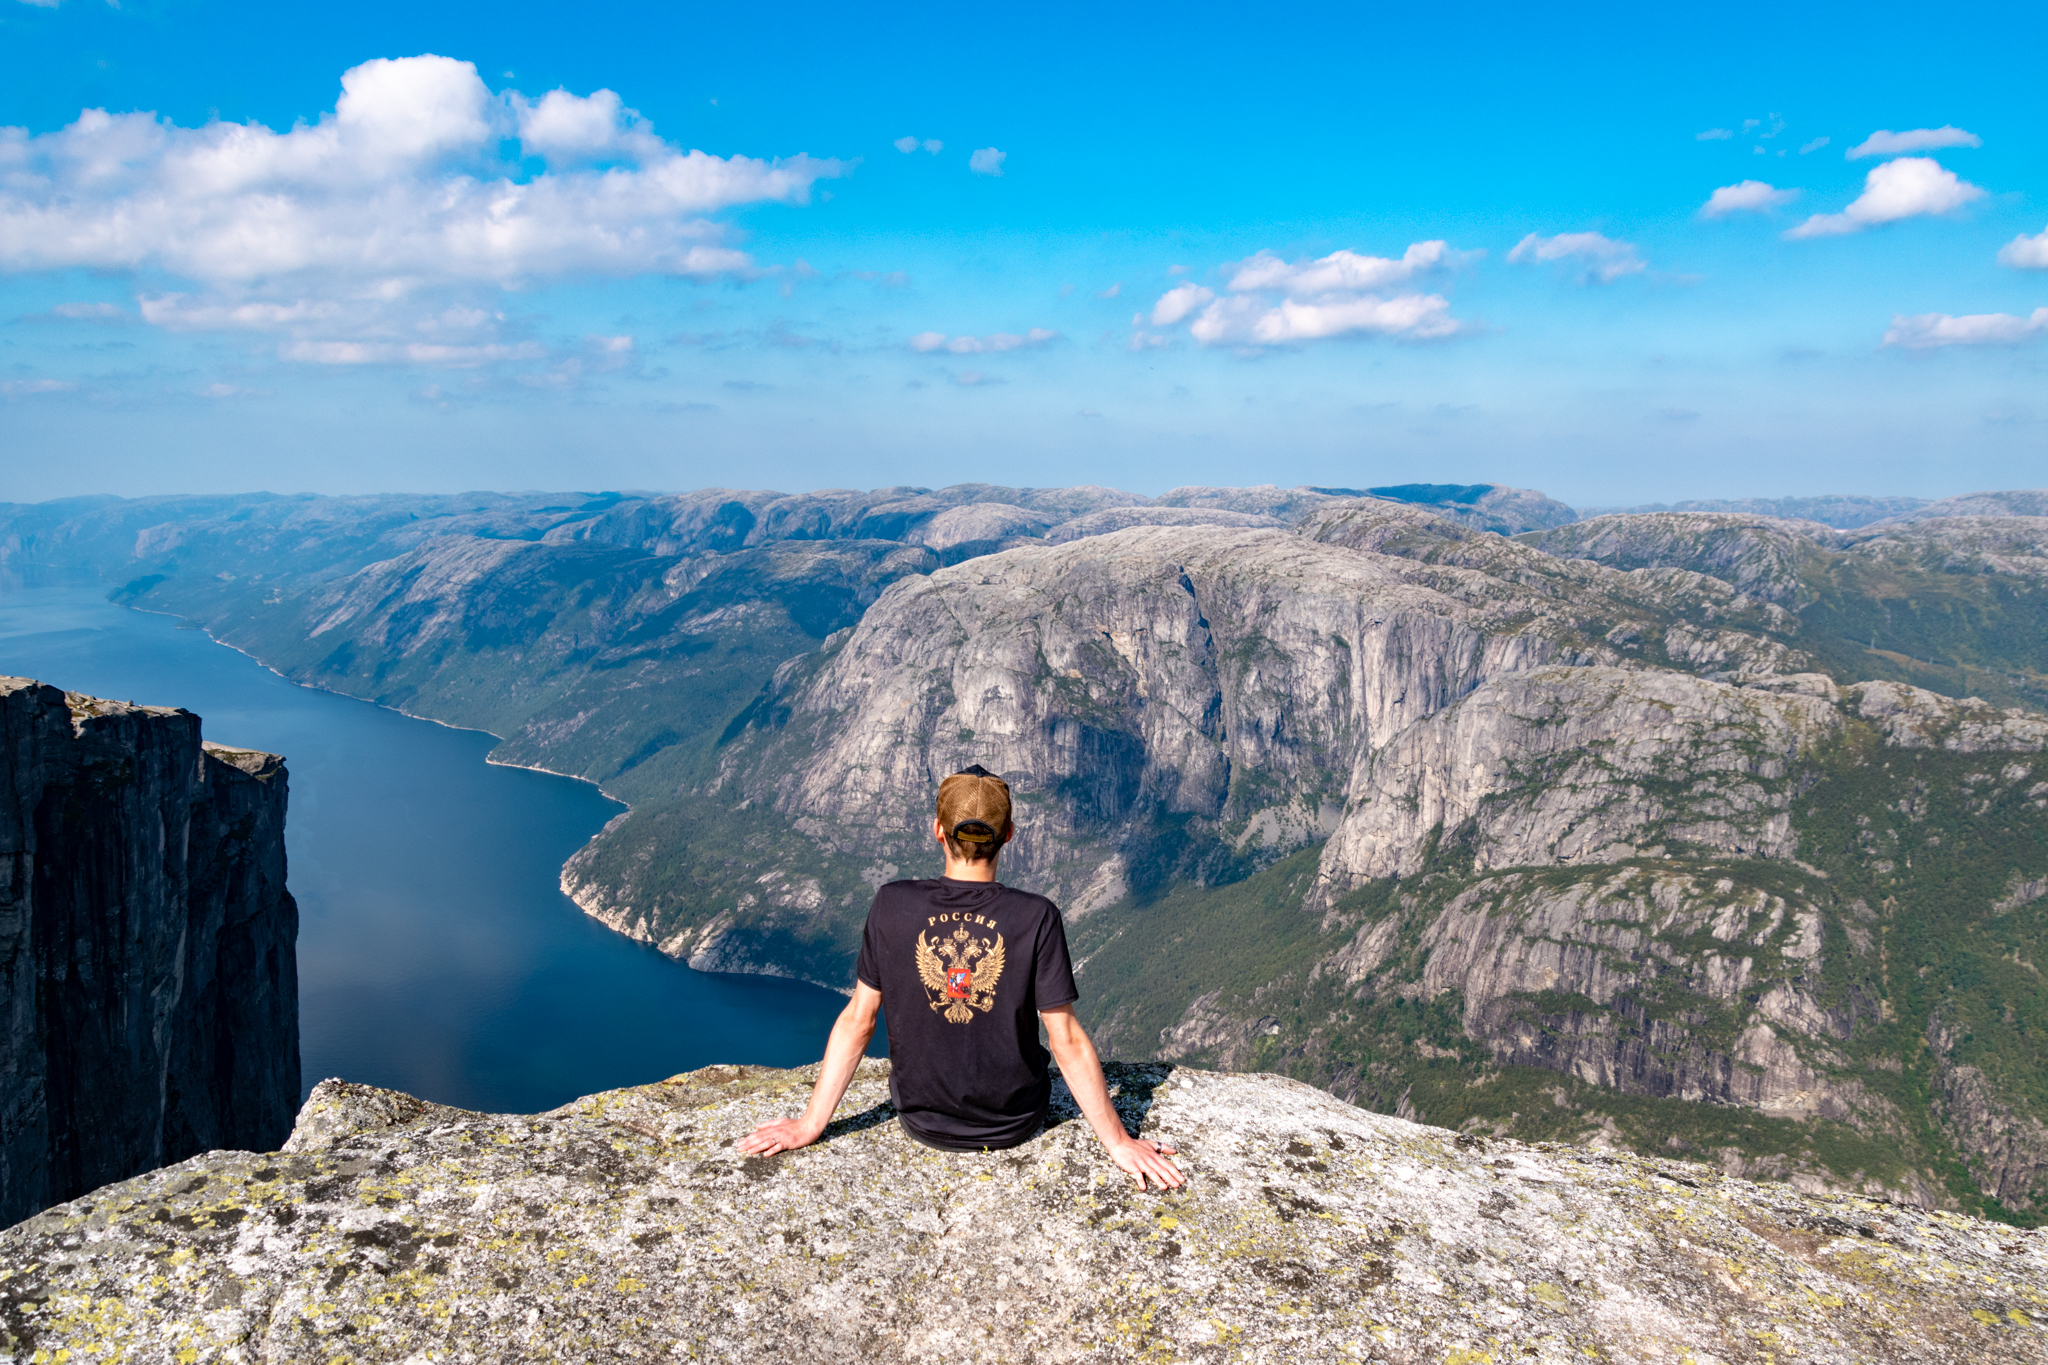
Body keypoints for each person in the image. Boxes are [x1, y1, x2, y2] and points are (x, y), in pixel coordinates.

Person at [739, 765, 1184, 1189]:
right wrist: (1119, 1142)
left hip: (923, 1121)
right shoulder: (1035, 916)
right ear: (1008, 835)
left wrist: (810, 1123)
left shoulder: (892, 904)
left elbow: (859, 1019)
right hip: (1015, 1121)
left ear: (939, 831)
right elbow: (1064, 1038)